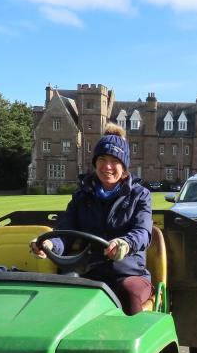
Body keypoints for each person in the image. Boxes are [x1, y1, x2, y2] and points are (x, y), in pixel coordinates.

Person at [30, 123, 153, 315]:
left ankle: (128, 340)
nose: (107, 166)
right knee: (62, 291)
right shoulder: (82, 196)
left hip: (127, 271)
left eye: (115, 160)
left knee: (129, 292)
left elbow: (143, 232)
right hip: (88, 269)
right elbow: (65, 230)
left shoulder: (140, 195)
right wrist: (50, 245)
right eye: (102, 159)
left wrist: (125, 243)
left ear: (124, 165)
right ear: (95, 162)